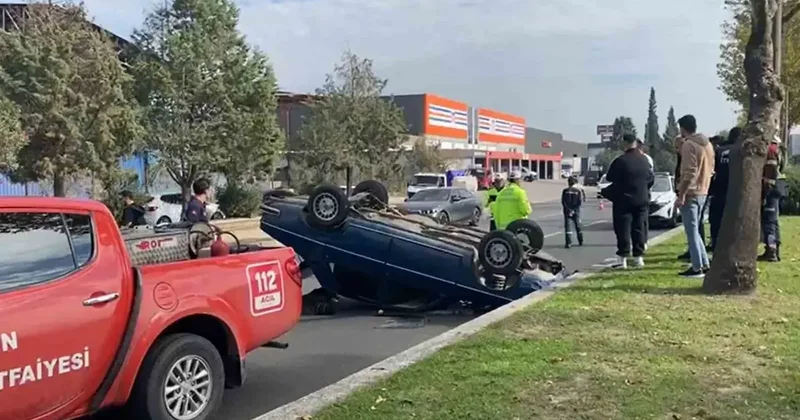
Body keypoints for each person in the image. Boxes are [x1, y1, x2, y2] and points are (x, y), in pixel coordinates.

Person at [604, 134, 654, 269]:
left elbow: (609, 177)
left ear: (625, 143)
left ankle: (622, 259)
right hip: (641, 200)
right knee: (639, 229)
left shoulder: (620, 161)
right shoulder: (644, 160)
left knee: (623, 230)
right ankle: (639, 258)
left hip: (623, 200)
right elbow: (650, 179)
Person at [675, 114, 715, 278]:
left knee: (691, 231)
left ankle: (697, 266)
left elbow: (689, 171)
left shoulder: (689, 145)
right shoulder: (708, 145)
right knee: (695, 230)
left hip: (691, 192)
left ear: (682, 128)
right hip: (703, 190)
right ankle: (704, 263)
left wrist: (681, 194)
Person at [708, 127, 740, 251]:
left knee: (716, 222)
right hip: (735, 192)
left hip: (718, 191)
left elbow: (712, 171)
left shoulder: (719, 151)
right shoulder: (740, 151)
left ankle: (716, 247)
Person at [759, 134, 786, 262]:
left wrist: (765, 193)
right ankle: (774, 249)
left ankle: (771, 251)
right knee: (773, 221)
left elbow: (770, 174)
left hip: (772, 189)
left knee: (769, 221)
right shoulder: (778, 150)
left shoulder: (770, 151)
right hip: (778, 187)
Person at [561, 176, 584, 248]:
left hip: (567, 211)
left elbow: (563, 202)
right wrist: (574, 210)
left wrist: (569, 210)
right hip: (576, 211)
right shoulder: (577, 191)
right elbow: (579, 202)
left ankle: (568, 243)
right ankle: (580, 240)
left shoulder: (565, 191)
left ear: (568, 182)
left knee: (568, 227)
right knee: (578, 226)